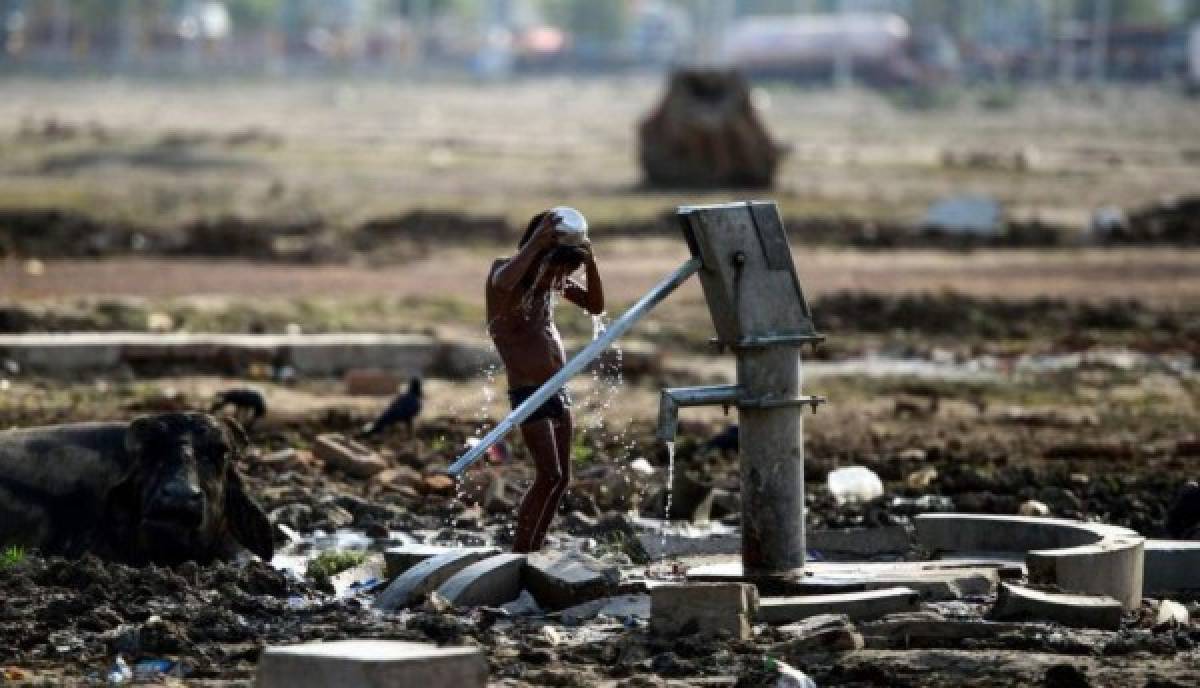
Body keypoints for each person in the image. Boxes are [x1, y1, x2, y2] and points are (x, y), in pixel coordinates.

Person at [486, 210, 605, 552]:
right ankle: (521, 550)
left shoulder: (551, 279)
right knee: (547, 475)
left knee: (562, 478)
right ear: (538, 255)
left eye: (566, 274)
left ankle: (534, 546)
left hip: (557, 389)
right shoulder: (505, 274)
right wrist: (539, 241)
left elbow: (596, 306)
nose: (560, 281)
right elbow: (505, 281)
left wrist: (591, 260)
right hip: (528, 391)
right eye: (556, 272)